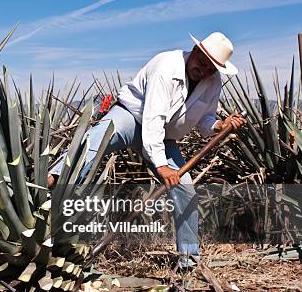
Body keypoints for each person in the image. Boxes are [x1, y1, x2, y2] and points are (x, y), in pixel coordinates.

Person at [48, 32, 245, 263]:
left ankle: (189, 261)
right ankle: (47, 184)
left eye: (211, 69)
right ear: (195, 51)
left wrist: (220, 125)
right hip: (131, 117)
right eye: (202, 64)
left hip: (164, 137)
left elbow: (204, 119)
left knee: (186, 191)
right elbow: (153, 117)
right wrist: (161, 166)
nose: (203, 71)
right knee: (94, 142)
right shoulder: (166, 66)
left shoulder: (212, 82)